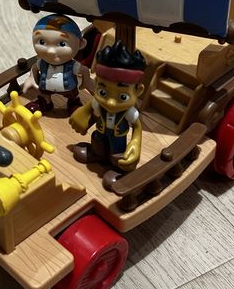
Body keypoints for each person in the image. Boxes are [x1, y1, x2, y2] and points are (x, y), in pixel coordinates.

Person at [70, 40, 146, 173]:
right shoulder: (97, 104)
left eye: (122, 97)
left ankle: (116, 167)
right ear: (96, 83)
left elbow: (137, 127)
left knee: (117, 152)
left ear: (138, 91)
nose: (110, 103)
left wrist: (135, 142)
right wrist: (84, 115)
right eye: (103, 93)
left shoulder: (130, 112)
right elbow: (92, 111)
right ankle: (97, 154)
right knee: (97, 141)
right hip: (101, 131)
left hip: (118, 137)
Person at [23, 14, 93, 114]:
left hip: (68, 88)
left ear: (81, 44)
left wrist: (87, 82)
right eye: (42, 42)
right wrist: (31, 78)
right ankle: (45, 102)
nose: (51, 51)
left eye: (62, 44)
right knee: (44, 94)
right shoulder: (42, 63)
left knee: (72, 96)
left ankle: (73, 103)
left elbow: (84, 70)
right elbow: (34, 68)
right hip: (46, 87)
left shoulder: (72, 66)